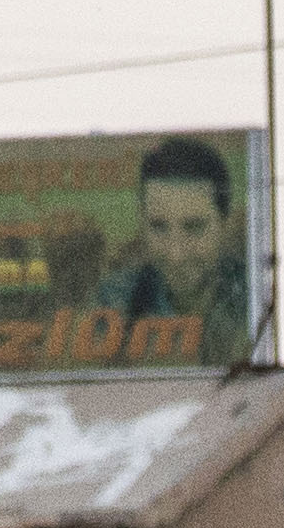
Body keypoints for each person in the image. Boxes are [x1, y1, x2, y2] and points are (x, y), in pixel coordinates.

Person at [103, 136, 255, 364]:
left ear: (224, 224)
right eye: (159, 227)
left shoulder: (257, 299)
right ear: (142, 223)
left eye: (194, 227)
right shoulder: (115, 299)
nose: (176, 254)